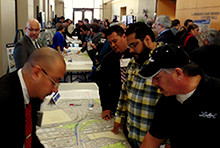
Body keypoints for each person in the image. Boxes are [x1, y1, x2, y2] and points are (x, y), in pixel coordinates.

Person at [139, 44, 220, 148]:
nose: (154, 83)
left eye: (157, 78)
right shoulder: (166, 101)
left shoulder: (216, 92)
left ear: (178, 73)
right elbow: (153, 138)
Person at [0, 47, 66, 148]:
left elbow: (30, 136)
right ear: (36, 73)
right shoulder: (5, 101)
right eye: (54, 82)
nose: (55, 90)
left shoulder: (33, 94)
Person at [112, 22, 162, 148]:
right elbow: (124, 92)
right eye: (130, 46)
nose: (131, 50)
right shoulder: (133, 63)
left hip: (154, 141)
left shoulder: (165, 62)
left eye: (134, 45)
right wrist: (119, 117)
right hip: (132, 134)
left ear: (147, 40)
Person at [97, 25, 132, 121]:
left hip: (133, 105)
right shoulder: (108, 58)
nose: (112, 45)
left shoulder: (135, 55)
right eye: (110, 43)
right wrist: (106, 107)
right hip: (115, 105)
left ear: (124, 37)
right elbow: (103, 84)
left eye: (115, 41)